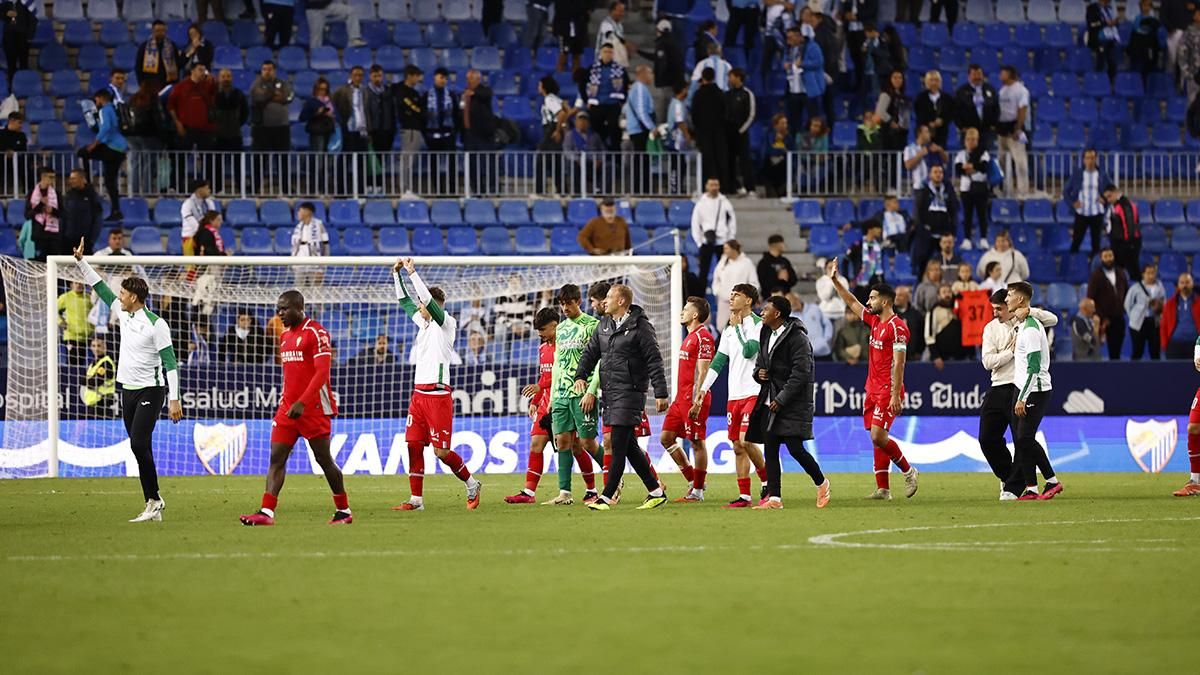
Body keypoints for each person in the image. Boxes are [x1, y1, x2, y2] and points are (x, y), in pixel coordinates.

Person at [73, 239, 183, 522]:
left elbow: (170, 363)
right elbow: (100, 287)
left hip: (151, 390)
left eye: (122, 293)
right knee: (140, 446)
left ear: (134, 297)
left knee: (138, 443)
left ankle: (155, 500)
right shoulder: (123, 314)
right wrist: (82, 262)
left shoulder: (156, 324)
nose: (118, 296)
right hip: (127, 390)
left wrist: (174, 399)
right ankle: (152, 502)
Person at [238, 289, 349, 526]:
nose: (280, 313)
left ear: (299, 308)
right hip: (287, 409)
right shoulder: (285, 336)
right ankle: (266, 512)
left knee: (323, 459)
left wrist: (303, 402)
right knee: (276, 457)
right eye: (278, 309)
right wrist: (289, 401)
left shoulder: (316, 332)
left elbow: (322, 373)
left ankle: (343, 510)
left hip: (313, 408)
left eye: (285, 309)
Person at [390, 259, 481, 510]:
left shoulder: (446, 323)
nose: (419, 306)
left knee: (441, 453)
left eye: (422, 303)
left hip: (438, 396)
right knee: (413, 445)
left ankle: (472, 484)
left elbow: (426, 301)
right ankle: (416, 500)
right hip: (418, 395)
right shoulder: (424, 323)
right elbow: (404, 301)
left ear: (432, 305)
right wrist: (397, 274)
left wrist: (412, 273)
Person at [575, 285, 670, 511]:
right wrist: (580, 376)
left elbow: (654, 360)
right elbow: (590, 353)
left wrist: (661, 392)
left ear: (621, 301)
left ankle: (607, 496)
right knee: (629, 447)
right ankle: (656, 491)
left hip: (631, 392)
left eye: (609, 297)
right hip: (610, 392)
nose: (604, 301)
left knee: (618, 443)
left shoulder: (641, 326)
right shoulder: (604, 325)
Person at [827, 270, 920, 500]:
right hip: (872, 388)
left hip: (888, 390)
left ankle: (909, 471)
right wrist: (835, 281)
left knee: (879, 436)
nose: (868, 302)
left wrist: (896, 395)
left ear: (885, 302)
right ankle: (883, 489)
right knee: (876, 437)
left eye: (872, 298)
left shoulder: (898, 328)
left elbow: (899, 363)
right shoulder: (874, 320)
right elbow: (851, 302)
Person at [746, 294, 831, 510]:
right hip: (769, 399)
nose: (762, 312)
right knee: (770, 449)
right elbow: (760, 363)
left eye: (766, 309)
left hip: (792, 402)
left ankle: (822, 483)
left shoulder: (798, 338)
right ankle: (775, 498)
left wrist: (782, 398)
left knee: (795, 448)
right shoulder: (766, 332)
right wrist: (759, 373)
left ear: (777, 314)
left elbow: (801, 373)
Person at [979, 288, 1060, 500]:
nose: (995, 313)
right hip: (998, 385)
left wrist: (1031, 311)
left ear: (1011, 306)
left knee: (1022, 438)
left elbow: (1053, 319)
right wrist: (1009, 353)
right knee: (987, 438)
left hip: (1021, 387)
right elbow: (987, 362)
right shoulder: (991, 328)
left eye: (999, 308)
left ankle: (1018, 487)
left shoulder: (1027, 322)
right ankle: (1008, 476)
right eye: (994, 308)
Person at [695, 284, 771, 506]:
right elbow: (718, 362)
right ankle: (745, 496)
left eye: (736, 295)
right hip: (734, 395)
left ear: (748, 300)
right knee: (737, 446)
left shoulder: (758, 324)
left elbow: (749, 351)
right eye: (731, 295)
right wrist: (703, 388)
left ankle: (767, 482)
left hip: (753, 392)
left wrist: (737, 328)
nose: (731, 298)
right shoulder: (728, 330)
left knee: (746, 441)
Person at [1005, 282, 1063, 500]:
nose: (1006, 299)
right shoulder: (1022, 325)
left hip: (1035, 390)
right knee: (1021, 440)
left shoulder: (1030, 328)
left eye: (1010, 295)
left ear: (1020, 299)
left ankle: (1052, 481)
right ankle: (1031, 488)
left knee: (1025, 438)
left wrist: (1022, 398)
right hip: (1023, 388)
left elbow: (1034, 367)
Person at [660, 297, 715, 502]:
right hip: (680, 399)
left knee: (697, 442)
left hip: (693, 399)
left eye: (686, 309)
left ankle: (697, 492)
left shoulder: (704, 337)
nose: (682, 312)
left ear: (695, 315)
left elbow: (703, 371)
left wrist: (697, 400)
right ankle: (693, 480)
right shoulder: (690, 336)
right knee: (666, 438)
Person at [505, 307, 562, 503]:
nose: (540, 334)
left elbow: (563, 375)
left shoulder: (565, 347)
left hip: (563, 401)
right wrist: (535, 401)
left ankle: (592, 489)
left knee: (577, 447)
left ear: (555, 326)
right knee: (536, 444)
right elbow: (544, 377)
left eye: (543, 330)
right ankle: (528, 493)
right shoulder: (542, 348)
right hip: (545, 404)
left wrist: (540, 387)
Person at [78, 90, 127, 224]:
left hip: (112, 147)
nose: (96, 102)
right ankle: (116, 210)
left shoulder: (104, 110)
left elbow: (106, 128)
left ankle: (88, 185)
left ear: (100, 98)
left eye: (96, 99)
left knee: (83, 153)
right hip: (120, 149)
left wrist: (94, 144)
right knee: (110, 181)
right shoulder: (114, 109)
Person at [911, 165, 960, 277]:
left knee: (946, 261)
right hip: (927, 233)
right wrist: (922, 227)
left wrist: (952, 231)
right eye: (935, 172)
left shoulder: (948, 190)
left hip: (944, 232)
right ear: (930, 175)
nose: (938, 174)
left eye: (940, 172)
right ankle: (921, 283)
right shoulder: (924, 190)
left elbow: (953, 210)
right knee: (924, 261)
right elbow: (918, 210)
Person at [1063, 148, 1113, 255]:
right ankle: (1073, 262)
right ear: (1084, 160)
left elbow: (1112, 190)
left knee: (1096, 244)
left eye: (1092, 158)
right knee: (1076, 242)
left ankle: (1095, 263)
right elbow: (1065, 191)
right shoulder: (1077, 174)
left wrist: (1105, 199)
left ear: (1096, 159)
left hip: (1097, 213)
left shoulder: (1102, 174)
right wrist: (1072, 203)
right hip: (1082, 213)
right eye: (1088, 158)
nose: (1090, 160)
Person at [1087, 247, 1130, 360]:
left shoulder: (1121, 273)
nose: (1109, 259)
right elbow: (1090, 297)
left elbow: (1126, 292)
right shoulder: (1096, 275)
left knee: (1117, 351)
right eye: (1105, 256)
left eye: (1110, 256)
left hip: (1119, 317)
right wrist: (1096, 315)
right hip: (1104, 319)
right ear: (1101, 258)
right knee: (1101, 351)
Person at [691, 177, 736, 286]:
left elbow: (732, 222)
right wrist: (699, 242)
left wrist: (730, 239)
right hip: (706, 241)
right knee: (703, 271)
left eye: (716, 185)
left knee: (725, 270)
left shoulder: (725, 203)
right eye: (712, 185)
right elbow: (695, 224)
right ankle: (701, 294)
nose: (714, 188)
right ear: (706, 186)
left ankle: (726, 291)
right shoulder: (701, 204)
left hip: (723, 241)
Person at [639, 19, 685, 123]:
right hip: (676, 82)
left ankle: (661, 129)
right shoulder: (674, 42)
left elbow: (662, 62)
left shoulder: (662, 43)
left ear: (658, 30)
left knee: (664, 110)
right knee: (672, 109)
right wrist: (640, 52)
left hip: (667, 83)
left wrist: (660, 78)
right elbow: (658, 57)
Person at [692, 67, 729, 189]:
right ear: (714, 77)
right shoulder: (720, 93)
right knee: (720, 159)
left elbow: (694, 115)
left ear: (702, 77)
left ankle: (706, 187)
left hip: (704, 133)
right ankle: (723, 186)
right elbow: (726, 112)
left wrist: (697, 130)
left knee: (707, 160)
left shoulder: (698, 94)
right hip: (719, 132)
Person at [954, 127, 992, 249]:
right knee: (967, 214)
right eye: (969, 139)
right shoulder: (961, 154)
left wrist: (970, 166)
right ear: (965, 141)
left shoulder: (983, 153)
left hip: (980, 187)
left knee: (982, 214)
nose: (971, 142)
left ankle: (983, 239)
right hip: (966, 189)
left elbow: (984, 167)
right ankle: (967, 239)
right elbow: (959, 170)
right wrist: (974, 167)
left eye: (974, 139)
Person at [996, 66, 1031, 198]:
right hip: (1002, 129)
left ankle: (1022, 192)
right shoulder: (1002, 90)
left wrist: (1018, 128)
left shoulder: (1021, 90)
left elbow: (1022, 109)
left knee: (1020, 162)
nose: (1000, 75)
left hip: (1014, 128)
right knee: (1002, 161)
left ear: (1009, 74)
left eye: (1002, 73)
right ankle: (1006, 189)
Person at [586, 43, 627, 152]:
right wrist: (587, 100)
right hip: (597, 104)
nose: (608, 54)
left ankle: (616, 158)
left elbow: (626, 85)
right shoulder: (592, 69)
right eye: (605, 52)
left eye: (610, 52)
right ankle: (597, 156)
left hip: (613, 104)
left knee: (615, 132)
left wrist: (623, 101)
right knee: (596, 133)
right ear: (601, 53)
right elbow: (583, 84)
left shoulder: (620, 69)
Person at [461, 69, 497, 192]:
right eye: (467, 79)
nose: (468, 81)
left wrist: (473, 93)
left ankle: (492, 188)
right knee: (472, 164)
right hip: (469, 134)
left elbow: (486, 94)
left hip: (483, 134)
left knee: (488, 162)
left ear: (478, 79)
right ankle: (476, 189)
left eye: (470, 79)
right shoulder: (464, 93)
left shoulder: (484, 91)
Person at [168, 64, 216, 152]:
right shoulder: (180, 87)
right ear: (192, 71)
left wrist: (214, 81)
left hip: (205, 129)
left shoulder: (209, 85)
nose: (203, 73)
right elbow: (171, 105)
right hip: (186, 129)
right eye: (200, 70)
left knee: (207, 157)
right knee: (182, 156)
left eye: (204, 70)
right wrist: (177, 123)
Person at [391, 65, 423, 196]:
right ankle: (404, 190)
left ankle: (407, 188)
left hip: (415, 129)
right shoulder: (402, 92)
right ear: (410, 76)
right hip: (409, 129)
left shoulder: (414, 92)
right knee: (407, 160)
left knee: (411, 161)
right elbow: (416, 110)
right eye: (416, 76)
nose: (418, 79)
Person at [712, 240, 759, 330]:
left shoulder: (746, 263)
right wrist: (718, 291)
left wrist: (747, 296)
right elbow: (716, 278)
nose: (724, 251)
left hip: (741, 302)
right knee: (721, 327)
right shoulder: (722, 262)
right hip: (724, 301)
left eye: (727, 248)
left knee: (741, 325)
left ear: (733, 249)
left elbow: (754, 282)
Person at [535, 76, 569, 197]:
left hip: (551, 129)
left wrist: (558, 130)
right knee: (555, 161)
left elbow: (561, 113)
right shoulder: (557, 98)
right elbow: (567, 111)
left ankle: (540, 191)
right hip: (554, 128)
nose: (538, 87)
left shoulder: (549, 99)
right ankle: (562, 190)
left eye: (540, 85)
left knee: (541, 161)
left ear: (544, 87)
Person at [250, 61, 294, 154]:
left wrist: (267, 94)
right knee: (260, 158)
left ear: (274, 71)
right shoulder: (256, 84)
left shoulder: (283, 83)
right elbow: (258, 97)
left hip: (281, 127)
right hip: (262, 128)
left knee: (282, 157)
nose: (267, 72)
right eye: (264, 69)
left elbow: (290, 97)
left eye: (269, 69)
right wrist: (274, 94)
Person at [724, 68, 756, 197]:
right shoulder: (727, 95)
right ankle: (733, 187)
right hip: (728, 133)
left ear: (738, 77)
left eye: (731, 76)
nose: (729, 79)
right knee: (729, 160)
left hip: (742, 133)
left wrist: (741, 130)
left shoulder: (747, 94)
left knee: (744, 161)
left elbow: (751, 114)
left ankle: (750, 188)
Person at [1125, 263, 1166, 360]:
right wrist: (1134, 317)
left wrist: (1159, 310)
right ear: (1143, 274)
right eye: (1148, 273)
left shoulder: (1160, 287)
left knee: (1155, 351)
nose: (1151, 276)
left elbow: (1164, 302)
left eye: (1153, 273)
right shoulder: (1135, 287)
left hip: (1154, 322)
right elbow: (1127, 304)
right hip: (1138, 323)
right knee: (1137, 351)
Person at [955, 64, 1000, 151]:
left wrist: (994, 124)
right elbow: (956, 111)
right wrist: (961, 127)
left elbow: (996, 108)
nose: (977, 77)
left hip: (987, 131)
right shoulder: (961, 91)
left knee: (986, 155)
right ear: (969, 76)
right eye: (974, 74)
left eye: (979, 74)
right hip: (968, 131)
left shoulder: (990, 89)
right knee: (969, 155)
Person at [625, 64, 656, 192]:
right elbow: (641, 111)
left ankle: (642, 188)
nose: (652, 76)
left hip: (639, 129)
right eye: (650, 73)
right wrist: (651, 127)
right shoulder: (639, 88)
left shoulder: (638, 88)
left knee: (642, 160)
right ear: (643, 74)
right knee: (641, 160)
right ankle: (641, 189)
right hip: (640, 130)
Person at [59, 170, 103, 257]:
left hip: (85, 242)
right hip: (67, 242)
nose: (71, 181)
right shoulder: (68, 196)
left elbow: (98, 219)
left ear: (82, 179)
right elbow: (63, 218)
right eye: (70, 178)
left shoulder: (92, 196)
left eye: (74, 178)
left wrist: (91, 240)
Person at [1104, 184, 1142, 281]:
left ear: (1116, 192)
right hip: (1121, 242)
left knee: (1132, 271)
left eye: (1109, 196)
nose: (1108, 200)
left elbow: (1128, 226)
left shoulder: (1124, 205)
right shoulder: (1117, 205)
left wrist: (1128, 244)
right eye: (1106, 198)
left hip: (1126, 244)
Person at [842, 219, 885, 304]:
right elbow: (845, 261)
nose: (880, 230)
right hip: (860, 286)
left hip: (876, 285)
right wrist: (847, 279)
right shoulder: (857, 245)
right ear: (870, 229)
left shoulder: (878, 247)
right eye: (878, 228)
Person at [561, 111, 605, 194]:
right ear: (576, 122)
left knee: (609, 166)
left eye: (585, 120)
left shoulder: (595, 135)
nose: (582, 122)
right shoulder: (570, 135)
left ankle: (600, 190)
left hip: (592, 162)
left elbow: (602, 150)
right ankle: (577, 193)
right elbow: (567, 150)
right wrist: (577, 159)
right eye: (580, 120)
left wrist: (599, 159)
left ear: (588, 123)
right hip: (578, 162)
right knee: (572, 165)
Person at [843, 0, 878, 94]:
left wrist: (857, 16)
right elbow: (845, 9)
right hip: (851, 31)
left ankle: (866, 86)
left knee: (865, 60)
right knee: (855, 59)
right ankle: (858, 84)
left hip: (864, 31)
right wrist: (846, 15)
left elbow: (872, 10)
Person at [332, 66, 369, 153]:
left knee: (362, 156)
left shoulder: (365, 91)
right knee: (346, 154)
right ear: (350, 76)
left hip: (362, 129)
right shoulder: (342, 90)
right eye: (355, 75)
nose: (358, 78)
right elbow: (332, 102)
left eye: (360, 75)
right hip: (348, 127)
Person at [212, 69, 248, 153]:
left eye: (228, 76)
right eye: (223, 76)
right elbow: (210, 113)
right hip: (217, 136)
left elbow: (245, 112)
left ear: (232, 78)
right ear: (219, 78)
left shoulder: (239, 94)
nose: (226, 79)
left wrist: (236, 123)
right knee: (217, 160)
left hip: (235, 135)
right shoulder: (213, 94)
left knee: (236, 160)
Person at [914, 71, 954, 149]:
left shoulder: (947, 98)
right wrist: (929, 122)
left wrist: (942, 120)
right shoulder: (920, 98)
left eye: (936, 80)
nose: (934, 83)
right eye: (931, 80)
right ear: (926, 82)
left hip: (942, 133)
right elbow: (918, 113)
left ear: (940, 82)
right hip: (924, 133)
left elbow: (951, 113)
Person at [903, 124, 948, 192]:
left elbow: (946, 160)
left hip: (934, 186)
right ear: (920, 134)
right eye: (927, 132)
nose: (929, 134)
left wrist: (940, 150)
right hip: (920, 186)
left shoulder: (933, 147)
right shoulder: (909, 148)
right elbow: (908, 165)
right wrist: (920, 155)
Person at [1, 0, 35, 88]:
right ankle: (12, 88)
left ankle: (24, 87)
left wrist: (29, 37)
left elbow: (33, 19)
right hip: (9, 38)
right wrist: (6, 14)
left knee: (24, 65)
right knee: (11, 66)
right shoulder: (5, 2)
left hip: (23, 38)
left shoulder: (27, 2)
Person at [136, 21, 179, 90]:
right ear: (153, 31)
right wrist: (141, 83)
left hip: (168, 82)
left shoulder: (171, 46)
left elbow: (177, 64)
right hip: (150, 83)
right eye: (158, 31)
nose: (160, 33)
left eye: (163, 31)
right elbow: (138, 66)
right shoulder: (144, 46)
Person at [876, 70, 912, 154]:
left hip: (901, 133)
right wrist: (891, 121)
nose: (898, 80)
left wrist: (904, 126)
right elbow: (880, 111)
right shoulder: (886, 94)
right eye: (895, 78)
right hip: (888, 133)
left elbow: (906, 115)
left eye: (900, 78)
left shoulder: (904, 97)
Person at [1087, 0, 1123, 82]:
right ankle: (1098, 82)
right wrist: (1105, 23)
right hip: (1099, 39)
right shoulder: (1092, 8)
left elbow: (1115, 23)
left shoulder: (1110, 9)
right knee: (1101, 62)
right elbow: (1092, 24)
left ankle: (1111, 82)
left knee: (1113, 63)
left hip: (1111, 39)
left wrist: (1115, 22)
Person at [760, 113, 794, 197]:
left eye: (786, 123)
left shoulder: (789, 137)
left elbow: (791, 152)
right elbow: (767, 151)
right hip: (770, 165)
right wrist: (779, 145)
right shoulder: (768, 135)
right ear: (775, 125)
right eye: (782, 123)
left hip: (784, 167)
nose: (785, 125)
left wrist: (780, 145)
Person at [181, 179, 217, 257]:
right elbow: (191, 221)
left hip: (207, 237)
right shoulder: (187, 204)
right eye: (207, 188)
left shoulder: (210, 203)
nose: (209, 190)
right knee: (191, 263)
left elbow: (213, 219)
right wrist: (203, 232)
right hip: (190, 237)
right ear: (199, 189)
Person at [299, 77, 336, 152]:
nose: (323, 92)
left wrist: (332, 116)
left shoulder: (330, 101)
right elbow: (302, 117)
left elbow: (338, 116)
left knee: (328, 154)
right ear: (316, 89)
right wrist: (317, 113)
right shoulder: (311, 101)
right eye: (320, 89)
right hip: (317, 132)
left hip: (329, 131)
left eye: (325, 89)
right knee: (318, 155)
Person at [82, 337, 117, 411]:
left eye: (99, 346)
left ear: (104, 347)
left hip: (103, 402)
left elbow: (95, 382)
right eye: (93, 346)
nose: (96, 349)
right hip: (92, 403)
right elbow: (82, 381)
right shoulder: (93, 363)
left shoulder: (106, 363)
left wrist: (88, 380)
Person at [554, 0, 589, 73]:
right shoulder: (561, 2)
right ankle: (559, 77)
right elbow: (559, 13)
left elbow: (585, 13)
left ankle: (576, 78)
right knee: (563, 56)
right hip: (565, 31)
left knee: (577, 56)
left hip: (579, 31)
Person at [595, 1, 633, 66]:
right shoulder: (606, 23)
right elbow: (611, 35)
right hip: (604, 62)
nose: (622, 14)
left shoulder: (619, 25)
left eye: (623, 11)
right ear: (612, 11)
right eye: (620, 11)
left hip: (617, 62)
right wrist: (626, 44)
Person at [893, 285, 925, 359]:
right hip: (892, 357)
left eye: (900, 295)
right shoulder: (888, 314)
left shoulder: (916, 315)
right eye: (895, 295)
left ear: (907, 298)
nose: (897, 298)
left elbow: (921, 334)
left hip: (912, 357)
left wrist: (919, 352)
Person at [725, 0, 761, 66]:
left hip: (751, 10)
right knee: (729, 39)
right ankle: (727, 62)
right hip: (736, 9)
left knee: (749, 40)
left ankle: (749, 65)